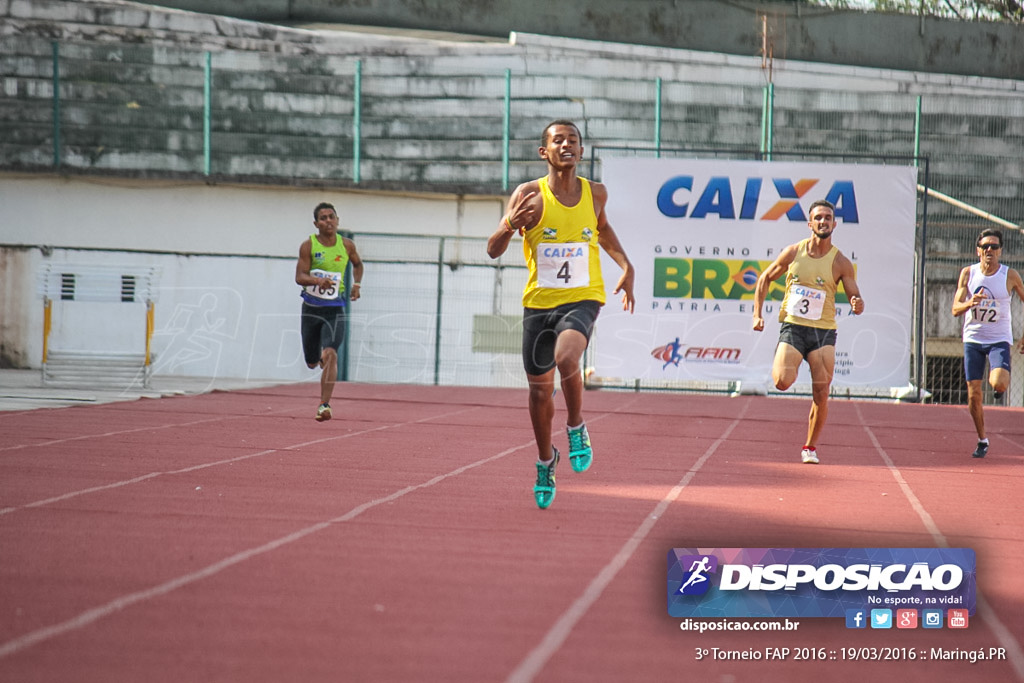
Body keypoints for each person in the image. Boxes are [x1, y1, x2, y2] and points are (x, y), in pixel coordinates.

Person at [486, 119, 635, 509]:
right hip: (539, 304)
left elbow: (601, 230)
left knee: (567, 356)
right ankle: (544, 460)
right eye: (558, 140)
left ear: (582, 151)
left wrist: (626, 266)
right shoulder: (528, 195)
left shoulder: (595, 193)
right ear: (544, 152)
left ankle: (576, 426)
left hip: (583, 297)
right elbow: (493, 249)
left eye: (573, 140)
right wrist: (508, 225)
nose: (566, 145)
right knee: (538, 392)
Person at [752, 199, 865, 464]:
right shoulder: (794, 253)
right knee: (781, 381)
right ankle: (790, 360)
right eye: (819, 218)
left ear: (834, 224)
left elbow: (856, 298)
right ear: (810, 223)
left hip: (822, 333)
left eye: (828, 218)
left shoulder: (841, 262)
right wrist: (757, 314)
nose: (823, 222)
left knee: (821, 393)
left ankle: (810, 447)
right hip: (794, 326)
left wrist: (857, 304)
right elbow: (764, 278)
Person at [951, 228, 1024, 458]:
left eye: (994, 246)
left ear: (1000, 251)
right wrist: (970, 302)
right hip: (973, 338)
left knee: (999, 383)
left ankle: (998, 387)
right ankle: (982, 439)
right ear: (978, 251)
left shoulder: (1009, 275)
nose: (989, 250)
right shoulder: (968, 274)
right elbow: (955, 309)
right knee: (973, 395)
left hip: (998, 339)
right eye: (985, 247)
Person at [295, 202, 364, 422]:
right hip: (311, 310)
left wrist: (356, 285)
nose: (328, 221)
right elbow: (299, 277)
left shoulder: (347, 245)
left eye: (331, 217)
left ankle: (324, 405)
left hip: (335, 309)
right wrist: (317, 280)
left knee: (331, 353)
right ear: (316, 224)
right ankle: (321, 363)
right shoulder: (309, 246)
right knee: (312, 361)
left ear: (337, 220)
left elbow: (358, 265)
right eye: (323, 218)